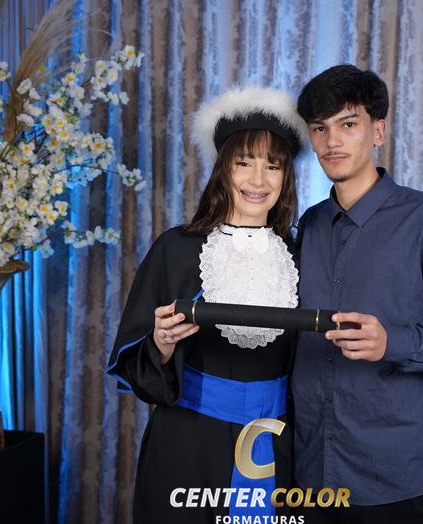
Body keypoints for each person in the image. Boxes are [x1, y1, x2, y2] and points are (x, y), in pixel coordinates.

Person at [292, 64, 423, 524]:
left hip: (399, 474)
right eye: (319, 129)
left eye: (348, 124)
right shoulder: (310, 224)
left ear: (378, 131)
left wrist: (393, 342)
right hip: (313, 470)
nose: (332, 142)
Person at [106, 86, 309, 523]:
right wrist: (161, 344)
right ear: (223, 169)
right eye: (244, 163)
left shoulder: (301, 256)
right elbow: (136, 364)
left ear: (286, 176)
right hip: (188, 444)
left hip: (275, 444)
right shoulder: (175, 249)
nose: (258, 180)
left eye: (272, 166)